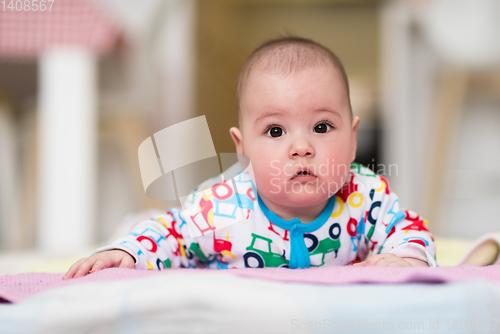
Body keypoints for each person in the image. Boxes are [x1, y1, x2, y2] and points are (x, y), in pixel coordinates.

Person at [63, 37, 437, 280]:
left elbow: (410, 230)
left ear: (353, 140)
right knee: (150, 227)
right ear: (243, 149)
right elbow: (171, 234)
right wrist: (125, 251)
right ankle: (127, 229)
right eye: (276, 131)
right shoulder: (220, 209)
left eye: (322, 127)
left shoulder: (365, 198)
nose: (301, 147)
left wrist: (406, 258)